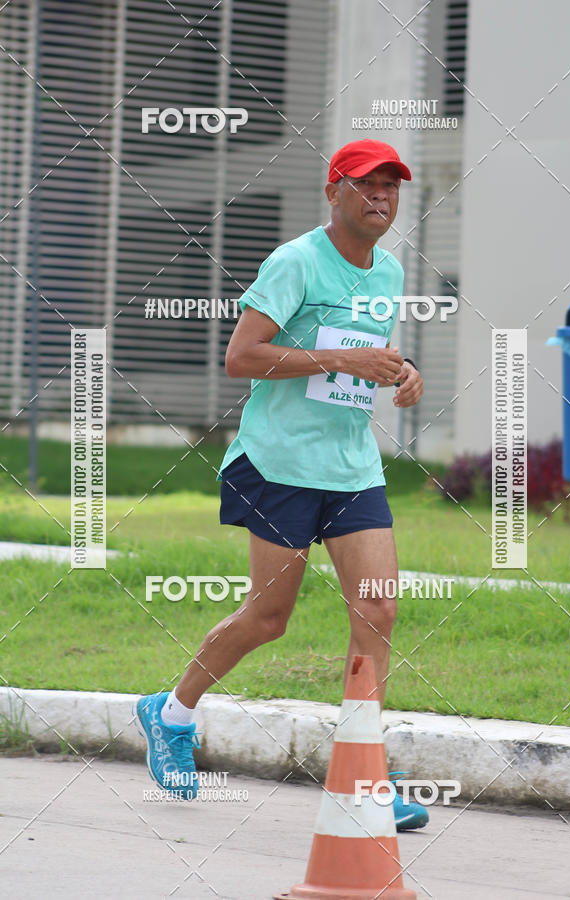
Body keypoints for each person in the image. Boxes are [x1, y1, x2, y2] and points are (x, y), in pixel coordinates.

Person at [135, 139, 428, 830]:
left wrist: (402, 370)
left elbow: (365, 356)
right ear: (334, 192)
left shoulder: (388, 271)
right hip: (278, 465)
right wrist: (340, 356)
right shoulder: (296, 260)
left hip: (351, 467)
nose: (380, 197)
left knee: (379, 611)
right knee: (269, 618)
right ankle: (170, 713)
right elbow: (242, 356)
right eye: (365, 185)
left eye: (391, 187)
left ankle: (363, 778)